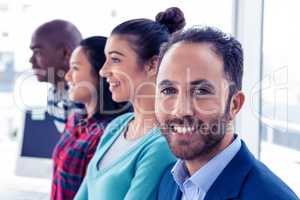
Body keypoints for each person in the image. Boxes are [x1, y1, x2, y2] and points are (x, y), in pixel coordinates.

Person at [156, 26, 299, 200]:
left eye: (201, 91)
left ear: (234, 105)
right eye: (169, 90)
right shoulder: (168, 181)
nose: (180, 111)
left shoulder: (270, 196)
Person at [74, 7, 185, 200]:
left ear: (153, 65)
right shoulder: (117, 126)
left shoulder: (163, 144)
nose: (103, 71)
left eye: (115, 59)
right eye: (106, 59)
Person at [51, 36, 130, 200]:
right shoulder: (75, 120)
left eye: (75, 68)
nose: (67, 76)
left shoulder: (112, 132)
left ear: (100, 73)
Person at [29, 19, 85, 132]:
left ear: (65, 54)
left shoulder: (88, 96)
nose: (31, 60)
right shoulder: (54, 93)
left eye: (38, 52)